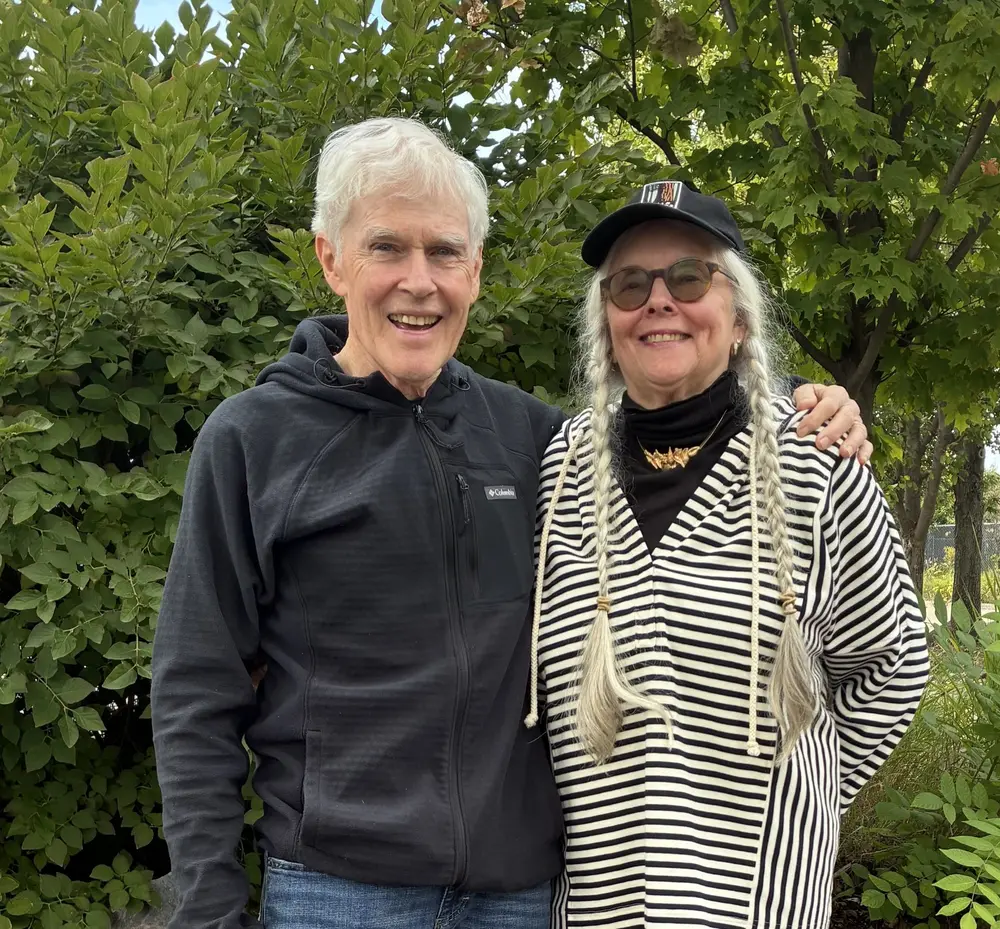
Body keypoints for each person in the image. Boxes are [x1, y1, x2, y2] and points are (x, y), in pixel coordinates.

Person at [150, 119, 871, 929]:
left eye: (445, 252)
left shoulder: (536, 441)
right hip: (340, 893)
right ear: (332, 260)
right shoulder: (253, 441)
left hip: (519, 895)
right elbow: (196, 689)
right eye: (387, 247)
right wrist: (210, 908)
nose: (418, 281)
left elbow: (676, 410)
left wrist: (804, 402)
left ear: (477, 270)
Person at [527, 180, 930, 929]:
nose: (658, 300)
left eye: (688, 277)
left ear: (738, 314)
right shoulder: (563, 468)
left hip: (754, 902)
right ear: (606, 320)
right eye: (628, 284)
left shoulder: (817, 459)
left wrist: (804, 799)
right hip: (596, 904)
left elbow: (893, 663)